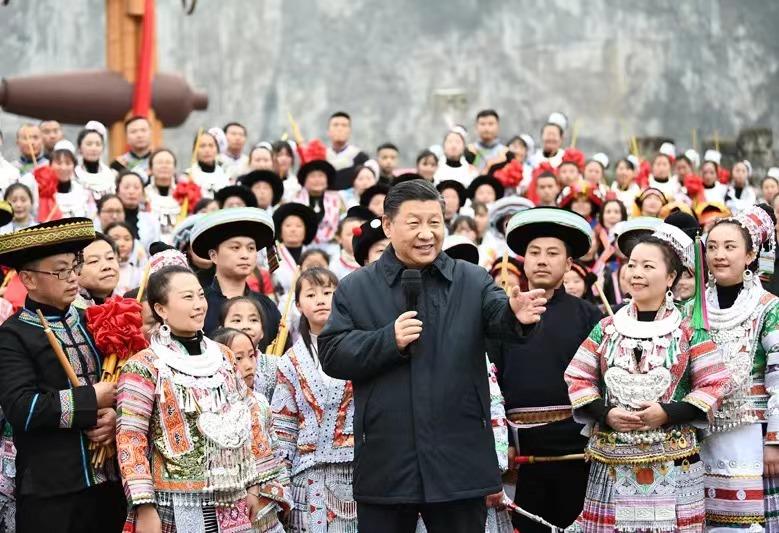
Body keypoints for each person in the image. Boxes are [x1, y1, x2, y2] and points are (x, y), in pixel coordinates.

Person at [318, 180, 547, 532]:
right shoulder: (356, 287)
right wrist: (387, 340)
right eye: (414, 223)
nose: (427, 234)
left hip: (459, 460)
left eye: (435, 222)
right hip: (387, 462)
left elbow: (499, 317)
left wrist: (515, 315)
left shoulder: (472, 280)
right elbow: (333, 353)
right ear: (388, 225)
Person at [564, 223, 730, 531]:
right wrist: (605, 413)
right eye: (632, 265)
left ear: (670, 277)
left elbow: (714, 382)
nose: (636, 273)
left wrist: (668, 413)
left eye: (648, 266)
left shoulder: (688, 331)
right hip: (611, 460)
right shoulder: (607, 328)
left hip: (674, 460)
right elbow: (578, 376)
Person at [115, 265, 291, 532]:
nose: (199, 304)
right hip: (177, 504)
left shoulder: (223, 356)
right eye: (188, 297)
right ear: (161, 309)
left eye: (200, 295)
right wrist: (144, 505)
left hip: (235, 498)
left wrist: (255, 485)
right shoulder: (144, 366)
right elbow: (130, 437)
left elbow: (248, 416)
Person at [0, 218, 126, 532]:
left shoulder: (94, 320)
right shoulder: (12, 336)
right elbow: (23, 408)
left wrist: (115, 416)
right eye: (60, 271)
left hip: (110, 482)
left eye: (74, 267)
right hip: (51, 490)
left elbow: (124, 385)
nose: (72, 278)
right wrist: (91, 399)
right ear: (28, 279)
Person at [490, 207, 601, 532]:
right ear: (523, 260)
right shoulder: (500, 315)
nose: (542, 260)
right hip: (518, 451)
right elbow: (490, 382)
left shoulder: (589, 316)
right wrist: (502, 442)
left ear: (568, 264)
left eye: (552, 254)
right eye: (534, 252)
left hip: (576, 447)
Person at [699, 204, 779, 529]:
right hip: (701, 434)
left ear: (749, 255)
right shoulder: (693, 308)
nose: (719, 255)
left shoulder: (768, 308)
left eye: (729, 247)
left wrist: (774, 441)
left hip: (752, 435)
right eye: (713, 247)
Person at [271, 267, 356, 532]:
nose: (320, 300)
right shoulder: (290, 362)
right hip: (310, 475)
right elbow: (283, 428)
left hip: (361, 468)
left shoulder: (361, 347)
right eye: (311, 294)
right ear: (298, 305)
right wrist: (280, 484)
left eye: (328, 292)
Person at [192, 207, 282, 349]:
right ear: (213, 255)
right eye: (235, 248)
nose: (245, 255)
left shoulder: (267, 305)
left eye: (251, 248)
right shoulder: (199, 305)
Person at [294, 158, 344, 255]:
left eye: (321, 176)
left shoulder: (337, 199)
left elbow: (343, 221)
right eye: (312, 176)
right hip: (304, 245)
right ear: (305, 180)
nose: (317, 180)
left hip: (331, 245)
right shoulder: (295, 199)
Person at [272, 202, 318, 301]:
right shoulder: (271, 255)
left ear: (306, 230)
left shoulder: (314, 255)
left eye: (298, 226)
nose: (293, 229)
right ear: (280, 230)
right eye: (288, 225)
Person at [116, 170, 161, 251]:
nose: (131, 192)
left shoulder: (152, 220)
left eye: (136, 187)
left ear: (143, 192)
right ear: (117, 191)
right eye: (126, 187)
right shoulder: (108, 217)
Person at [144, 148, 182, 242]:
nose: (164, 166)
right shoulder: (143, 194)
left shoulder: (185, 194)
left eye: (168, 162)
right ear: (150, 169)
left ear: (175, 168)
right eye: (159, 162)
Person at [74, 232, 121, 308]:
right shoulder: (69, 309)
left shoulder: (130, 299)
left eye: (110, 258)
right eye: (94, 261)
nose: (106, 266)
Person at [325, 112, 370, 189]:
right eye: (335, 125)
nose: (340, 129)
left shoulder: (361, 157)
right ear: (328, 131)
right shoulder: (321, 157)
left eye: (344, 125)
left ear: (350, 131)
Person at [74, 124, 115, 206]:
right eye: (89, 144)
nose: (94, 148)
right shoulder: (73, 175)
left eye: (98, 144)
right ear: (79, 148)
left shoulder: (111, 175)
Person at [104, 221, 146, 296]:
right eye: (115, 239)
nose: (122, 244)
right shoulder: (101, 272)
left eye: (127, 239)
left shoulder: (140, 275)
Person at [330, 206, 372, 279]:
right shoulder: (335, 265)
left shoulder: (374, 258)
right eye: (350, 234)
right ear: (339, 238)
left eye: (362, 233)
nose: (356, 237)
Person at [187, 131, 229, 198]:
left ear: (217, 150)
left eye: (211, 145)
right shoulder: (188, 176)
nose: (207, 150)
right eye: (202, 146)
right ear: (195, 150)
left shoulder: (226, 174)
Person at [112, 116, 153, 181]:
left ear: (151, 133)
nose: (139, 135)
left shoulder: (159, 163)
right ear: (126, 136)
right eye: (133, 131)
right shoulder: (118, 164)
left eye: (143, 130)